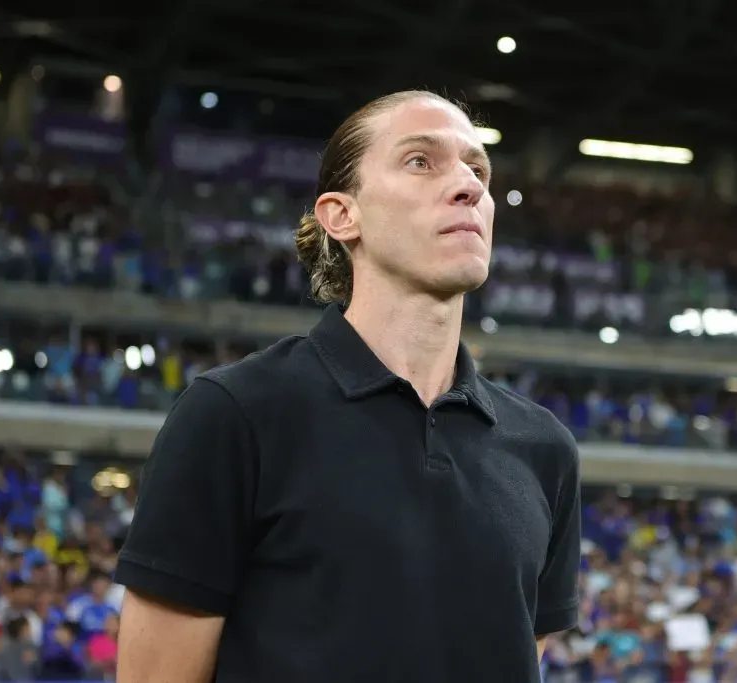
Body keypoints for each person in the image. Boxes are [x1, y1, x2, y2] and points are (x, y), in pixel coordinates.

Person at [114, 90, 582, 683]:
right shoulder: (235, 414)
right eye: (421, 161)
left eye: (477, 169)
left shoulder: (545, 449)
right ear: (341, 215)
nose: (468, 185)